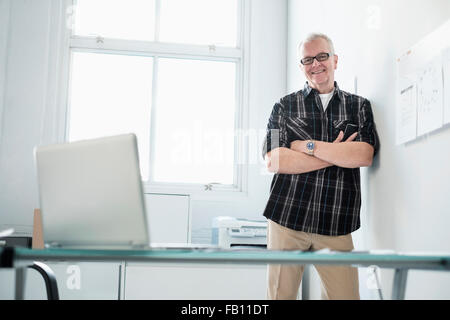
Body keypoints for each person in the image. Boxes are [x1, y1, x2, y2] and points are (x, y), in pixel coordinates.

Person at [262, 33, 380, 300]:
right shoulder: (282, 106)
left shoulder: (359, 106)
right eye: (307, 59)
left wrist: (308, 146)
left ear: (335, 60)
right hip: (286, 219)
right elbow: (273, 160)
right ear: (301, 66)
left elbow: (363, 155)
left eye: (322, 56)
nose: (315, 64)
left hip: (336, 222)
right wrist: (338, 152)